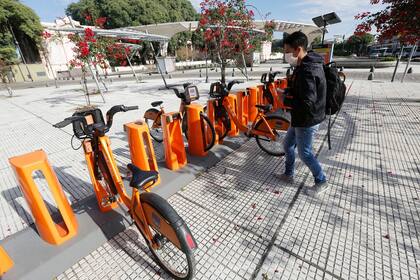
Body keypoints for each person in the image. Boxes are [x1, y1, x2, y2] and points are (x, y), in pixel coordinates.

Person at [277, 31, 328, 196]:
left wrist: (285, 100)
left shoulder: (308, 69)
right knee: (287, 145)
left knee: (305, 153)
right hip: (300, 118)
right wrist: (287, 90)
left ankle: (321, 181)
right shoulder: (304, 63)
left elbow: (307, 102)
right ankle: (288, 174)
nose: (286, 55)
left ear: (298, 49)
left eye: (288, 51)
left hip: (307, 119)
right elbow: (301, 90)